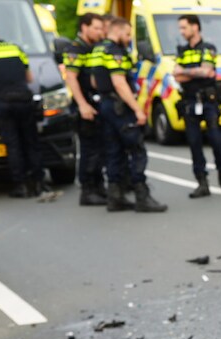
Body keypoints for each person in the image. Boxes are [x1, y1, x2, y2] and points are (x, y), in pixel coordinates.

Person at [91, 17, 166, 213]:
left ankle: (115, 197)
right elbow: (119, 82)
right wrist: (137, 110)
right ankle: (142, 196)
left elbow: (93, 81)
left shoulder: (98, 50)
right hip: (120, 106)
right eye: (127, 34)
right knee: (137, 149)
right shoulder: (115, 51)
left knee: (114, 150)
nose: (129, 38)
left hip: (106, 104)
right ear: (118, 31)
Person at [0, 28, 45, 198]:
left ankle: (20, 185)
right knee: (30, 141)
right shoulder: (16, 48)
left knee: (13, 144)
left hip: (2, 102)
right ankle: (38, 182)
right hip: (23, 100)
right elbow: (29, 78)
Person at [174, 14, 221, 198]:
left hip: (208, 101)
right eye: (180, 28)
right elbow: (177, 75)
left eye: (184, 27)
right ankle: (202, 182)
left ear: (195, 27)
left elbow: (207, 71)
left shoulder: (208, 48)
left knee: (215, 140)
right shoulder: (181, 50)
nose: (181, 31)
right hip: (189, 101)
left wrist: (186, 71)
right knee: (194, 142)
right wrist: (194, 72)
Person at [63, 13, 107, 206]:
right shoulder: (75, 49)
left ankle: (98, 186)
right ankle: (88, 190)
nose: (100, 32)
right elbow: (71, 78)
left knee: (100, 149)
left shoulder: (95, 47)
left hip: (97, 105)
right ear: (84, 27)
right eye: (96, 28)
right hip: (86, 105)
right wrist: (82, 104)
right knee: (89, 149)